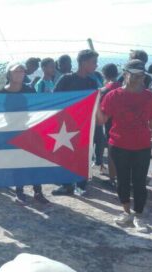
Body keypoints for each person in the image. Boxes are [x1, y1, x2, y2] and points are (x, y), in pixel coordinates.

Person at [97, 59, 152, 233]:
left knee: (140, 183)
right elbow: (102, 119)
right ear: (125, 74)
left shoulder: (149, 97)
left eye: (141, 75)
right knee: (122, 181)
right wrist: (95, 102)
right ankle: (126, 212)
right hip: (118, 145)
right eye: (134, 75)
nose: (138, 79)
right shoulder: (113, 96)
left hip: (142, 146)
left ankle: (138, 215)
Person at [0, 62, 51, 206]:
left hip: (29, 131)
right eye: (16, 71)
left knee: (34, 161)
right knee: (18, 163)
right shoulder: (1, 93)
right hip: (11, 132)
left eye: (22, 71)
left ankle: (38, 191)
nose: (19, 74)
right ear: (9, 74)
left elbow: (37, 110)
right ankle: (19, 192)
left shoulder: (30, 91)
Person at [52, 49, 100, 197]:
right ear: (83, 63)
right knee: (66, 154)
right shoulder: (66, 79)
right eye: (93, 62)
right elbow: (55, 100)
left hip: (85, 125)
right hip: (66, 126)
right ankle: (67, 185)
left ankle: (81, 185)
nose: (96, 66)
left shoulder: (92, 82)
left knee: (84, 155)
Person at [99, 63, 120, 186]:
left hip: (109, 125)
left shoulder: (104, 90)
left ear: (104, 74)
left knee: (112, 153)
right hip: (124, 124)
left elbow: (101, 110)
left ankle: (113, 179)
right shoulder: (123, 87)